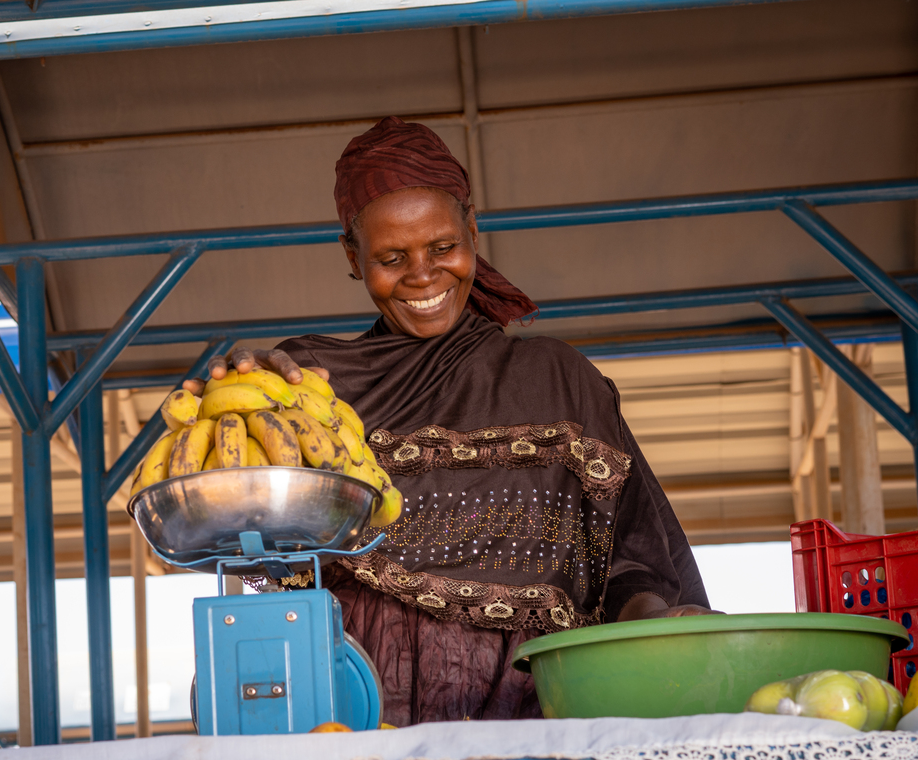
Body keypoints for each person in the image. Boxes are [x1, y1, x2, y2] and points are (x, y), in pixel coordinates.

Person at [186, 116, 714, 727]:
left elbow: (633, 560)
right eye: (391, 256)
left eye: (443, 247)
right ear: (353, 258)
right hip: (350, 715)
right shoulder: (315, 386)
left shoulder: (558, 380)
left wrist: (657, 621)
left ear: (473, 231)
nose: (423, 275)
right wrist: (243, 401)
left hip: (538, 717)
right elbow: (258, 553)